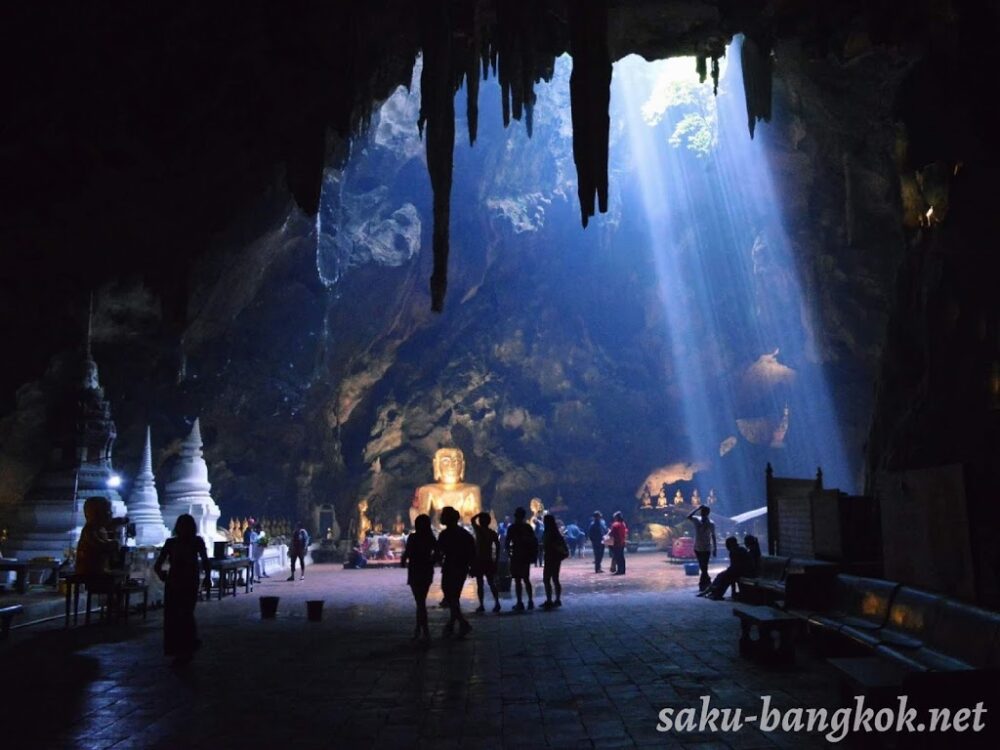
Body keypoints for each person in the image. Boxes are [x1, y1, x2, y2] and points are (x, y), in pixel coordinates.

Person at [153, 514, 210, 666]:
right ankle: (186, 647)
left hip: (178, 580)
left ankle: (182, 648)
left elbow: (157, 566)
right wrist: (207, 578)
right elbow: (205, 561)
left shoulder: (174, 543)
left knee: (178, 616)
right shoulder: (195, 541)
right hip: (186, 580)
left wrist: (163, 576)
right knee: (184, 615)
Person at [436, 506, 475, 638]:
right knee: (454, 597)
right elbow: (472, 551)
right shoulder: (465, 534)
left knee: (450, 596)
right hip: (461, 567)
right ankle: (452, 624)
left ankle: (462, 623)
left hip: (451, 567)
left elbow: (439, 552)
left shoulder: (445, 535)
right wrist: (471, 566)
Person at [400, 513, 436, 642]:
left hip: (415, 569)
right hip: (426, 569)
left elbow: (407, 552)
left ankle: (422, 629)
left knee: (420, 601)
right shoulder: (430, 538)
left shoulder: (413, 537)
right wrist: (432, 561)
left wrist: (403, 561)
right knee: (421, 601)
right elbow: (438, 552)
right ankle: (421, 629)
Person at [75, 497, 127, 576]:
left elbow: (113, 522)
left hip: (101, 571)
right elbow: (99, 545)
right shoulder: (89, 529)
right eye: (107, 511)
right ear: (96, 514)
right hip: (89, 574)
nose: (111, 514)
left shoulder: (100, 528)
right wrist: (112, 544)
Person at [505, 506, 538, 611]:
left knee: (518, 580)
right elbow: (534, 541)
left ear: (515, 516)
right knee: (526, 579)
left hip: (516, 555)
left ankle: (520, 602)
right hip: (526, 556)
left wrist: (509, 553)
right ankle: (530, 601)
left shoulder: (512, 528)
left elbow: (507, 542)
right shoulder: (528, 527)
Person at [470, 512, 501, 613]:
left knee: (480, 584)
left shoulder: (478, 530)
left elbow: (472, 520)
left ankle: (481, 605)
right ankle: (497, 603)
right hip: (488, 560)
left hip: (479, 560)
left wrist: (479, 513)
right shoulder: (492, 533)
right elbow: (498, 546)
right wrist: (496, 560)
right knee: (492, 583)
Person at [686, 506, 717, 591]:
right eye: (702, 512)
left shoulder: (711, 523)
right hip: (697, 547)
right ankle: (707, 583)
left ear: (707, 513)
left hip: (706, 548)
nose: (702, 513)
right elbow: (688, 516)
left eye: (704, 512)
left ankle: (702, 584)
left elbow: (713, 536)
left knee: (704, 567)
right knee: (702, 567)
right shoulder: (696, 519)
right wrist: (697, 508)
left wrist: (715, 549)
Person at [541, 514, 569, 609]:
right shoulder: (555, 532)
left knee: (546, 579)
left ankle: (549, 600)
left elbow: (550, 544)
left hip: (550, 557)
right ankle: (557, 599)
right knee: (555, 579)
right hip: (556, 558)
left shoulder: (549, 532)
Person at [609, 511, 629, 576]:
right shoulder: (623, 524)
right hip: (622, 542)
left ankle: (619, 570)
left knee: (618, 557)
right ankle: (622, 570)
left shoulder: (615, 524)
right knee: (622, 557)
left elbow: (611, 533)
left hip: (617, 543)